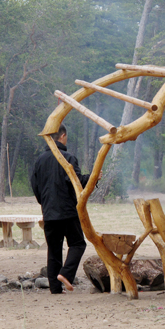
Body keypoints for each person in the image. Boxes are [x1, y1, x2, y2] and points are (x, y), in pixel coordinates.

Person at [31, 124, 102, 294]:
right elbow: (76, 182)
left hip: (49, 212)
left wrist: (45, 203)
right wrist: (93, 177)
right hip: (68, 211)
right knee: (78, 244)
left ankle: (55, 288)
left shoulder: (39, 160)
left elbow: (35, 186)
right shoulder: (68, 158)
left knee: (54, 250)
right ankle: (66, 275)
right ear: (62, 136)